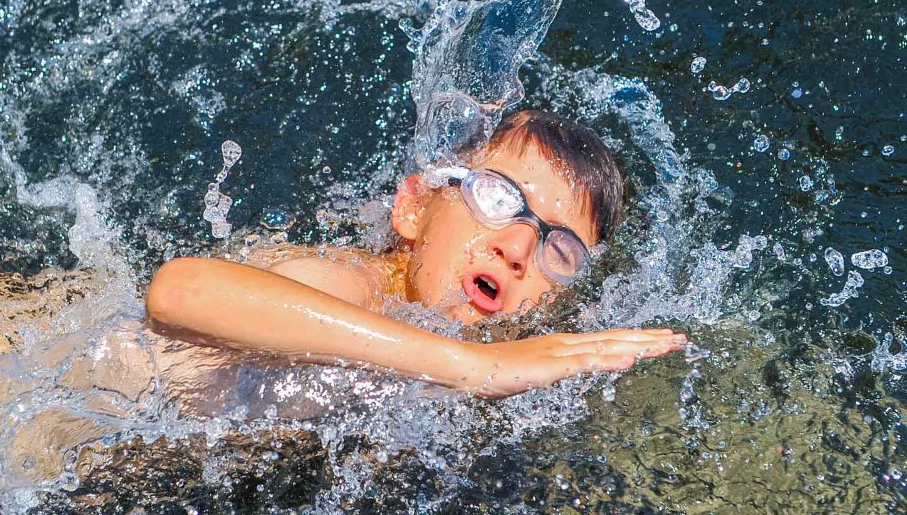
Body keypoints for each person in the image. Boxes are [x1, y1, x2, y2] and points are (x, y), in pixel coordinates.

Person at [145, 110, 687, 399]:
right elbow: (179, 293)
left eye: (561, 249)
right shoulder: (360, 285)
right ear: (413, 206)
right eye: (498, 198)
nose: (518, 248)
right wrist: (479, 367)